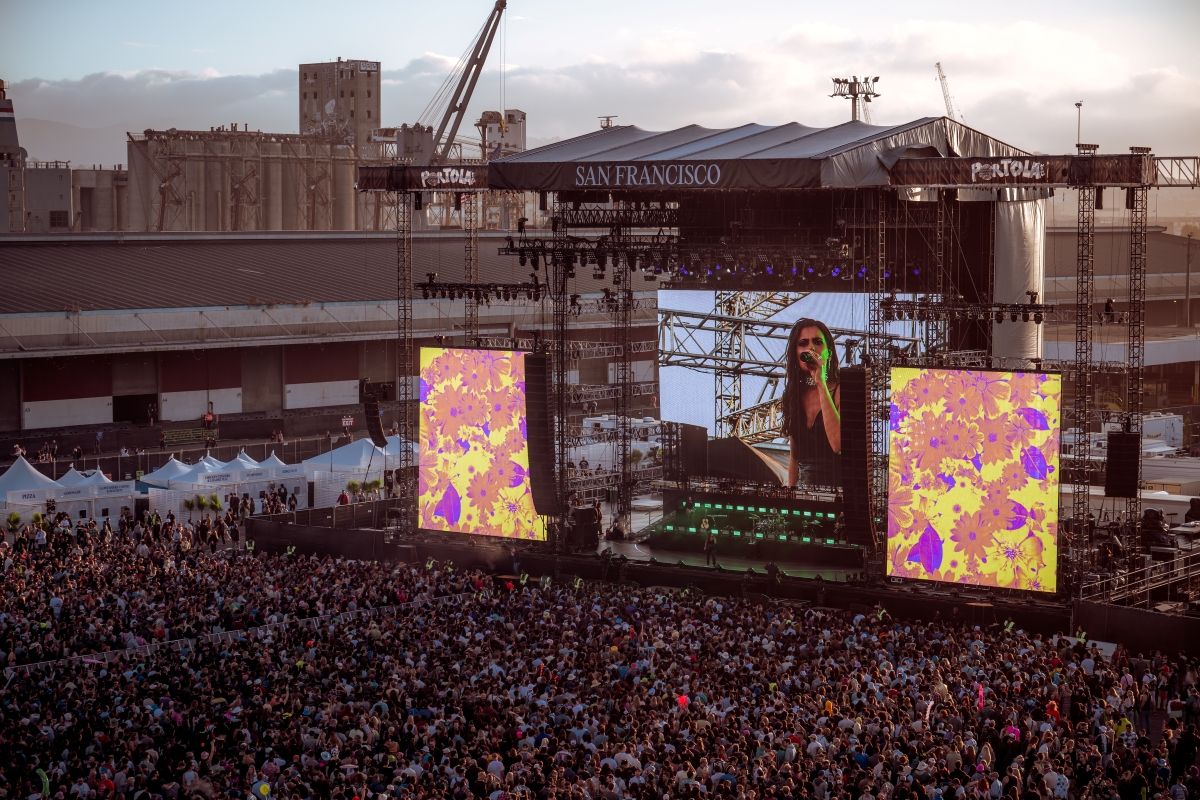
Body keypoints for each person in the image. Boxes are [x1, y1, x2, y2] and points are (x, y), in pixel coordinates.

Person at [783, 318, 842, 487]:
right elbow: (794, 457)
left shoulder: (841, 389)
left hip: (836, 494)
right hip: (804, 496)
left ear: (829, 352)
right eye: (803, 343)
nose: (811, 348)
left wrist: (821, 383)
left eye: (818, 342)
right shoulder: (794, 395)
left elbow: (837, 445)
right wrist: (790, 496)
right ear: (796, 353)